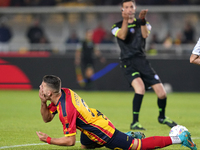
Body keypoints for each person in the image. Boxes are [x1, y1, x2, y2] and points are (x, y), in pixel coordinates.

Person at [36, 75, 197, 150]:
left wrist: (48, 139)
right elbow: (47, 118)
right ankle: (127, 134)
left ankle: (179, 138)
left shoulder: (66, 109)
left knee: (137, 146)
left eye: (42, 87)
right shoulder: (63, 93)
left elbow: (69, 141)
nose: (40, 88)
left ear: (50, 93)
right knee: (85, 147)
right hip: (91, 123)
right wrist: (43, 102)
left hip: (101, 131)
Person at [111, 0, 177, 130]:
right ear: (122, 10)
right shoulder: (116, 26)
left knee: (162, 94)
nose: (129, 9)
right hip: (128, 63)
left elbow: (145, 34)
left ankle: (162, 117)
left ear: (135, 8)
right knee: (140, 88)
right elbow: (123, 36)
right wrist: (125, 21)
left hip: (142, 62)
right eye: (126, 7)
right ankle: (134, 122)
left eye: (131, 6)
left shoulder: (143, 23)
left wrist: (142, 20)